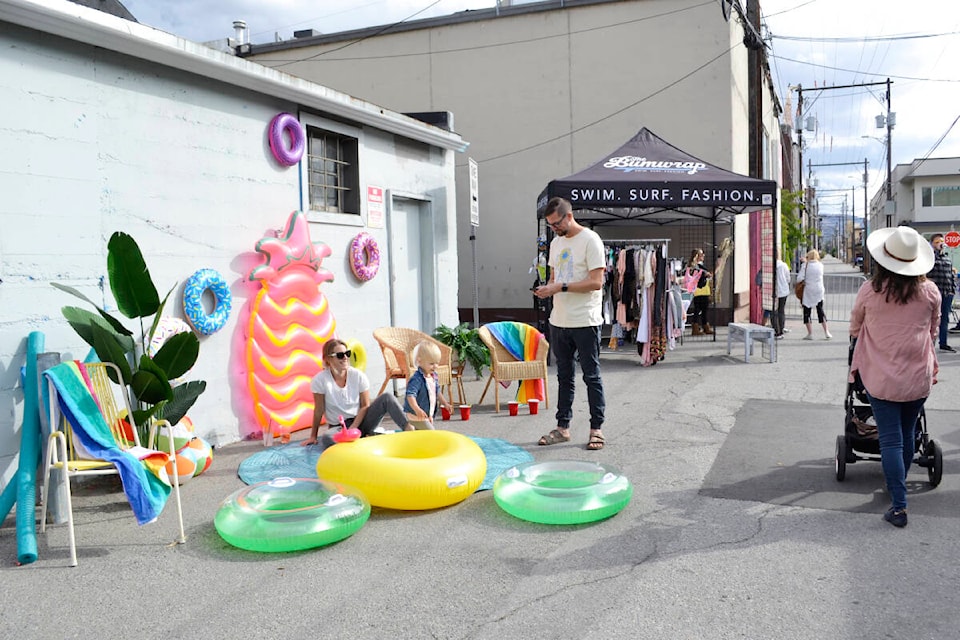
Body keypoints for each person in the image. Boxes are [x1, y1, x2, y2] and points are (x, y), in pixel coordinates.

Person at [850, 226, 940, 528]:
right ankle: (896, 482)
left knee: (890, 439)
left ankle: (899, 505)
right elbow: (933, 330)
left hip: (881, 377)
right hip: (918, 376)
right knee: (907, 432)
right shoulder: (930, 292)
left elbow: (854, 326)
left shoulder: (870, 291)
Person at [533, 197, 607, 451]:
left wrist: (560, 286)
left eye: (556, 224)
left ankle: (596, 428)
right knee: (564, 377)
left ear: (568, 216)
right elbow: (556, 277)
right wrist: (547, 290)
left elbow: (597, 282)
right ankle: (563, 427)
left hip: (585, 320)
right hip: (559, 320)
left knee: (591, 376)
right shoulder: (556, 243)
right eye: (550, 225)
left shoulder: (590, 240)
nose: (554, 229)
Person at [301, 339, 412, 451]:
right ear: (328, 359)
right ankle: (362, 439)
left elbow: (365, 406)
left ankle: (409, 429)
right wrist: (313, 436)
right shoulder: (320, 380)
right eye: (340, 355)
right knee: (327, 438)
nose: (345, 357)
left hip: (361, 421)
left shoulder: (358, 376)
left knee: (387, 397)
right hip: (339, 427)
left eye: (347, 353)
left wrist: (354, 427)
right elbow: (319, 410)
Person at [403, 340, 453, 428]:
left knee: (423, 437)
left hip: (426, 414)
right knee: (430, 436)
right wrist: (417, 409)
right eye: (431, 363)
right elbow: (410, 395)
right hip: (415, 415)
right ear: (419, 361)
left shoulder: (434, 376)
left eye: (437, 363)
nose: (435, 366)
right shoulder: (417, 379)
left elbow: (437, 391)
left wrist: (445, 404)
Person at [926, 233, 956, 353]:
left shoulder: (947, 258)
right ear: (932, 244)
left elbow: (951, 274)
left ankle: (943, 343)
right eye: (937, 242)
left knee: (944, 319)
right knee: (931, 319)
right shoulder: (930, 257)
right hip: (934, 293)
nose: (940, 244)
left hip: (947, 292)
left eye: (941, 242)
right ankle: (929, 343)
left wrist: (952, 289)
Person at [797, 249, 832, 340]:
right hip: (819, 290)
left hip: (809, 290)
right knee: (820, 310)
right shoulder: (821, 265)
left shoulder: (805, 266)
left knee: (807, 311)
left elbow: (799, 278)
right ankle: (826, 332)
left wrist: (805, 263)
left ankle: (810, 333)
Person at [687, 249, 714, 335]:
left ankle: (704, 326)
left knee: (703, 309)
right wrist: (705, 274)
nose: (704, 256)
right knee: (698, 309)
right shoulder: (695, 266)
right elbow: (698, 274)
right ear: (697, 256)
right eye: (701, 254)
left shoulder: (699, 265)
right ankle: (697, 327)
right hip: (699, 290)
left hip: (704, 289)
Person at [773, 254, 791, 339]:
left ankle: (776, 331)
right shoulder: (784, 265)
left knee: (773, 311)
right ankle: (782, 328)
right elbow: (788, 278)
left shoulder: (770, 266)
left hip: (773, 291)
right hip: (784, 291)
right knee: (781, 310)